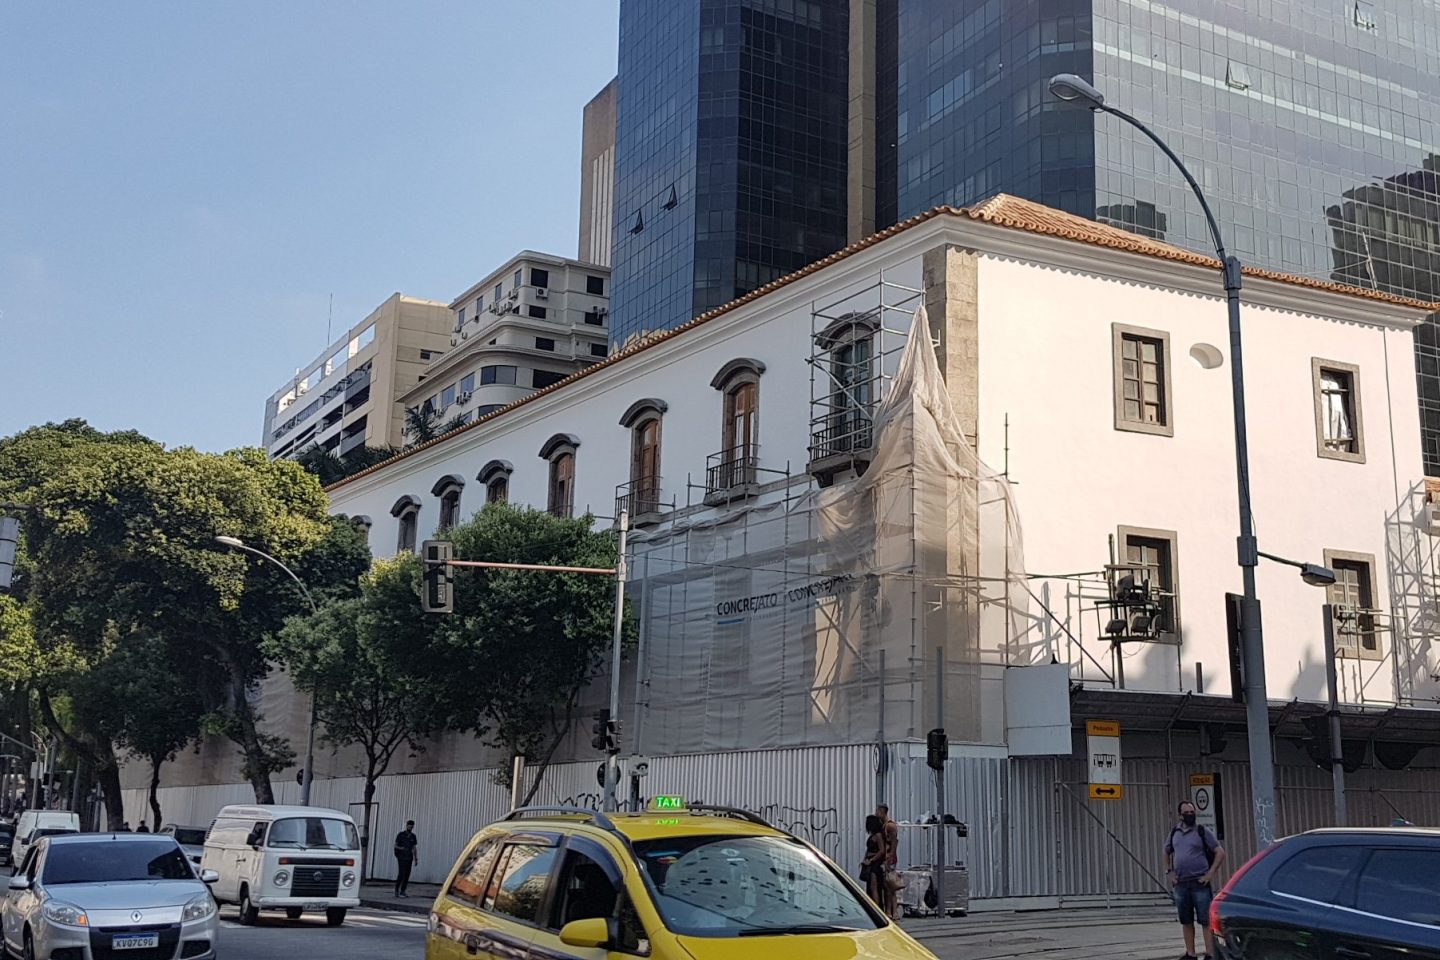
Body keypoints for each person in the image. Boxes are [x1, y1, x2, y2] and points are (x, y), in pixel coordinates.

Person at [1165, 800, 1226, 960]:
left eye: (1192, 812)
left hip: (1199, 882)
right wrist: (1169, 872)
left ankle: (1210, 954)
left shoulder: (1201, 831)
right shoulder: (1174, 833)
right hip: (1181, 883)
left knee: (1205, 920)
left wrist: (1210, 874)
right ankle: (1190, 954)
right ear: (1180, 815)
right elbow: (1166, 851)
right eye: (1187, 813)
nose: (1190, 815)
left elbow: (1219, 852)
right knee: (1186, 920)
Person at [876, 803, 900, 918]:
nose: (876, 813)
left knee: (891, 886)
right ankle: (889, 911)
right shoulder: (883, 825)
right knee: (886, 886)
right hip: (886, 858)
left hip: (889, 859)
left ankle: (893, 911)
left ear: (882, 811)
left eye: (878, 811)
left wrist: (890, 859)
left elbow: (895, 843)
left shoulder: (890, 826)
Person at [860, 815, 886, 903]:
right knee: (870, 887)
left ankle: (877, 906)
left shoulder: (878, 835)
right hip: (869, 861)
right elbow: (868, 849)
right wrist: (865, 860)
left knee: (874, 887)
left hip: (875, 863)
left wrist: (871, 860)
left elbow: (881, 850)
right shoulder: (872, 835)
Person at [394, 820, 418, 897]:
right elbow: (395, 845)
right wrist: (402, 848)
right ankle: (397, 890)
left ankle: (403, 890)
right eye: (409, 826)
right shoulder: (401, 835)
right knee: (401, 874)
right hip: (401, 857)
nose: (410, 827)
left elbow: (414, 848)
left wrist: (416, 858)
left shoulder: (413, 836)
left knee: (407, 874)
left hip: (409, 858)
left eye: (411, 826)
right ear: (406, 826)